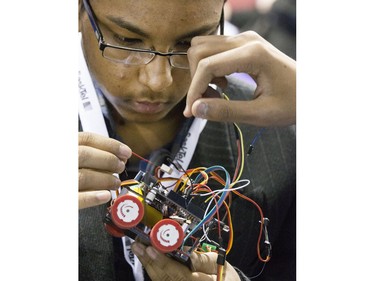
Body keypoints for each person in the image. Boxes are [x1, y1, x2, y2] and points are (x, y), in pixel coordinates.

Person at [78, 0, 296, 280]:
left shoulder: (284, 140)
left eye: (187, 43)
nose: (158, 81)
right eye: (127, 40)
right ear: (78, 10)